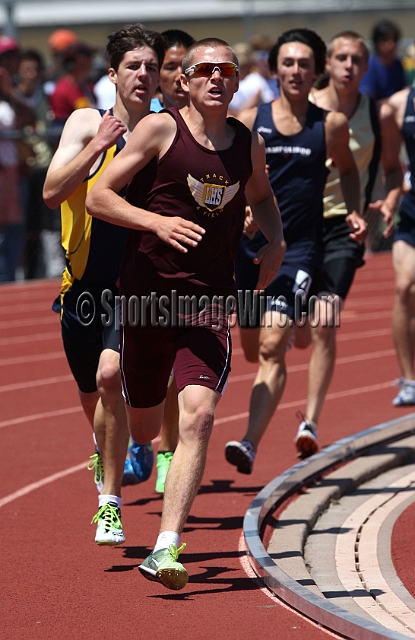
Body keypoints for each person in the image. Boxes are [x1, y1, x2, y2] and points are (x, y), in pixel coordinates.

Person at [86, 37, 285, 589]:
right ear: (187, 80)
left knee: (198, 415)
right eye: (205, 70)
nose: (216, 79)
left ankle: (167, 544)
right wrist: (154, 223)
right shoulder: (159, 130)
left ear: (239, 80)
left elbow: (263, 196)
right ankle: (114, 462)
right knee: (145, 426)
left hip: (208, 301)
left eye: (227, 70)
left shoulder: (246, 143)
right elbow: (98, 196)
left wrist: (276, 241)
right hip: (147, 300)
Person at [43, 24, 167, 545]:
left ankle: (109, 502)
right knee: (92, 394)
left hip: (134, 284)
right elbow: (51, 193)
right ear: (112, 73)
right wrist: (97, 145)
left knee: (112, 374)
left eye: (152, 67)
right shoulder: (85, 122)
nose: (144, 74)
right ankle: (109, 452)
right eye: (134, 66)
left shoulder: (166, 131)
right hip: (82, 284)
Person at [224, 28, 365, 474]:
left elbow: (348, 171)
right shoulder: (249, 120)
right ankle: (296, 327)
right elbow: (226, 178)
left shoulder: (331, 125)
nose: (297, 71)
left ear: (317, 70)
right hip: (248, 251)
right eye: (288, 63)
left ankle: (249, 443)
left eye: (305, 64)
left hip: (299, 250)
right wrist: (239, 210)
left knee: (270, 347)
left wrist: (356, 211)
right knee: (250, 348)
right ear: (275, 69)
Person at [293, 31, 403, 457]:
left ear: (366, 64)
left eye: (357, 59)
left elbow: (392, 169)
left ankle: (310, 421)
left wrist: (390, 200)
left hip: (346, 226)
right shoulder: (302, 106)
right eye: (341, 58)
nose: (349, 66)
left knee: (324, 322)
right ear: (327, 64)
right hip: (296, 225)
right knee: (296, 333)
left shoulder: (378, 114)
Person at [385, 84, 415, 405]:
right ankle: (409, 380)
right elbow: (390, 162)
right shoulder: (397, 104)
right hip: (413, 209)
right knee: (404, 289)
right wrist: (390, 199)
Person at [49, 41, 97, 126]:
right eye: (89, 57)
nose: (92, 62)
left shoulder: (89, 87)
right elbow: (59, 127)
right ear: (80, 60)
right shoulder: (61, 91)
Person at [360, 19, 406, 102]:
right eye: (385, 40)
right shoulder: (369, 66)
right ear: (376, 42)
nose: (391, 44)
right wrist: (394, 102)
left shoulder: (398, 64)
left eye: (394, 40)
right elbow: (368, 101)